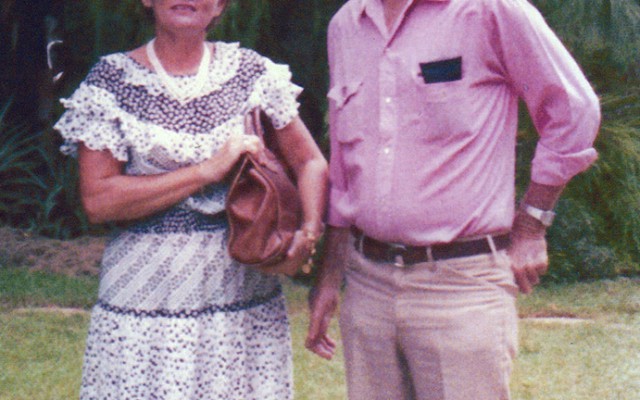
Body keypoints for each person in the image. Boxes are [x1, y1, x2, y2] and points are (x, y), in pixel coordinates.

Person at [306, 0, 600, 399]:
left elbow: (574, 111)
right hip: (367, 288)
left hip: (460, 287)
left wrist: (532, 224)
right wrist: (329, 277)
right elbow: (344, 168)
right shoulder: (346, 25)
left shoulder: (491, 11)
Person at [54, 0, 328, 398]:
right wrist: (207, 171)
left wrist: (308, 233)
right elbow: (99, 200)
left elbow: (310, 163)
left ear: (219, 5)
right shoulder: (110, 82)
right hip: (142, 303)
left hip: (241, 304)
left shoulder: (252, 74)